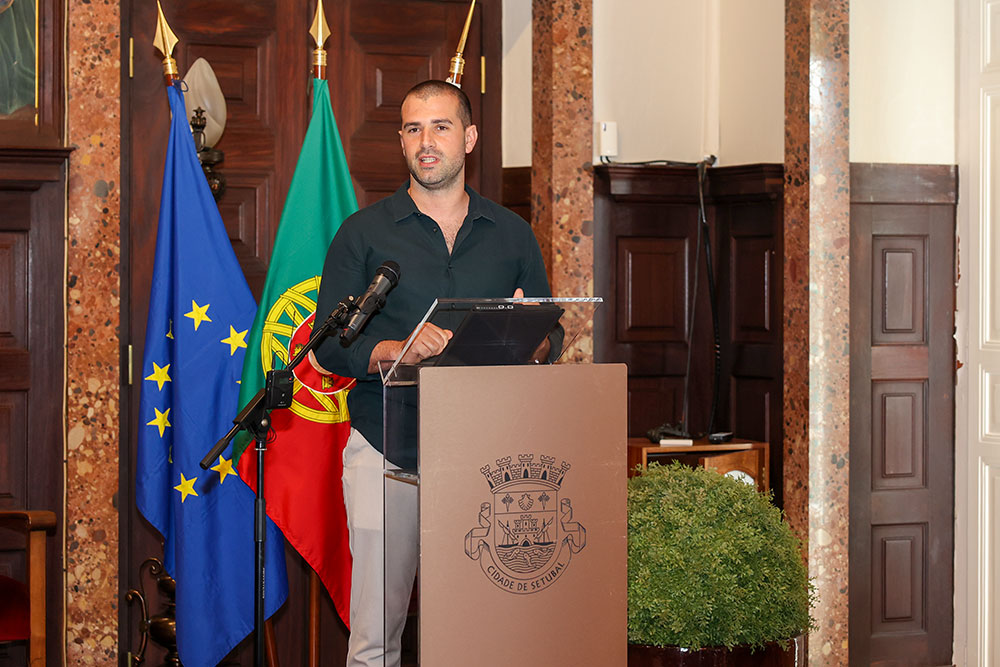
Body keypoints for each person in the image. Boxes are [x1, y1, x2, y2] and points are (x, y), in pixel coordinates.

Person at [311, 80, 558, 667]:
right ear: (401, 142)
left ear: (468, 138)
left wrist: (531, 343)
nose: (427, 142)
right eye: (414, 129)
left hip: (486, 459)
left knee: (476, 634)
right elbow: (328, 347)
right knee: (376, 637)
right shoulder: (363, 234)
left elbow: (550, 329)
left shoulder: (512, 234)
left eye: (441, 127)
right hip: (385, 448)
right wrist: (396, 348)